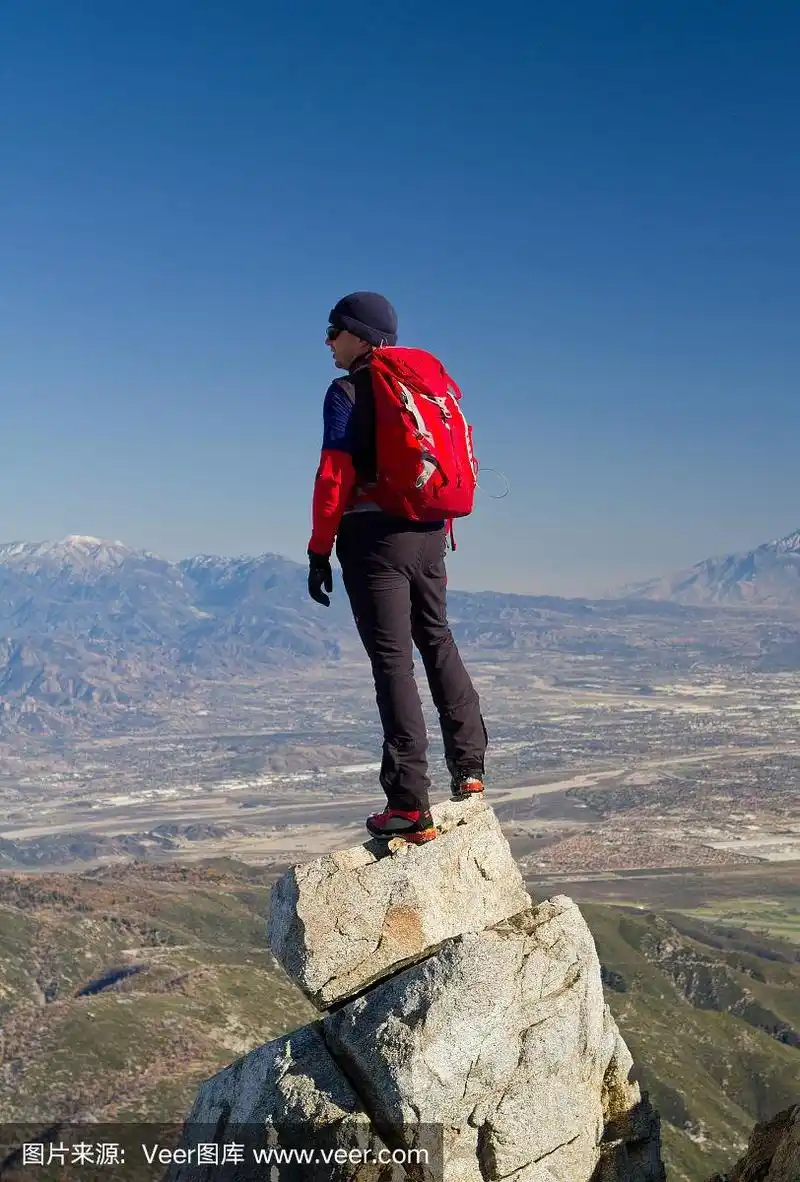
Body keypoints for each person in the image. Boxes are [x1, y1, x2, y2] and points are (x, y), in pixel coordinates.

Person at [306, 291, 488, 844]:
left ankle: (409, 804)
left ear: (359, 335)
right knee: (437, 638)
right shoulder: (423, 385)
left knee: (393, 663)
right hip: (431, 533)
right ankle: (471, 769)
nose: (327, 341)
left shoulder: (347, 392)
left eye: (333, 330)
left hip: (374, 539)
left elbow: (334, 477)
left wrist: (319, 549)